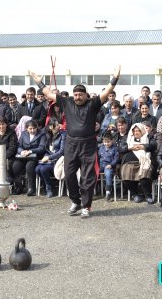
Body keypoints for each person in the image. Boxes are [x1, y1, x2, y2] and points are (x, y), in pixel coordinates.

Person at [31, 65, 121, 217]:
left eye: (81, 94)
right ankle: (75, 201)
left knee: (88, 177)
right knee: (69, 174)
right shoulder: (67, 102)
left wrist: (115, 79)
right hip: (71, 144)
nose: (78, 97)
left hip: (88, 145)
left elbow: (107, 93)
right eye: (76, 94)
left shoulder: (93, 104)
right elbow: (49, 94)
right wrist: (39, 82)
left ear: (86, 95)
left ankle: (86, 206)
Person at [120, 123, 156, 203]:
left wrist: (143, 147)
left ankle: (148, 195)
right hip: (130, 162)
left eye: (138, 131)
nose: (136, 133)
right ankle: (135, 194)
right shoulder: (127, 138)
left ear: (142, 131)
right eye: (134, 131)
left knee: (145, 172)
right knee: (125, 173)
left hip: (145, 161)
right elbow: (121, 148)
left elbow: (154, 145)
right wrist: (130, 148)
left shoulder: (148, 137)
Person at [11, 120, 46, 196]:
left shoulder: (41, 134)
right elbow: (19, 146)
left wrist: (30, 151)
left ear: (37, 128)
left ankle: (31, 188)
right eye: (30, 129)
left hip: (34, 157)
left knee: (29, 167)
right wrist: (21, 151)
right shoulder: (24, 134)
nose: (32, 130)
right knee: (15, 167)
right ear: (26, 128)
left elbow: (42, 148)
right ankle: (19, 186)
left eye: (34, 128)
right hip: (23, 156)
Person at [35, 118, 66, 198]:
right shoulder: (48, 135)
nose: (59, 126)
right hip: (49, 159)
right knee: (37, 169)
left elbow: (62, 151)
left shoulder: (63, 135)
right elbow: (48, 149)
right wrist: (46, 156)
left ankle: (49, 189)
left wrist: (49, 157)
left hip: (58, 160)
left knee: (43, 169)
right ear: (51, 127)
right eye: (56, 125)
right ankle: (49, 185)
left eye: (58, 124)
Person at [98, 132, 119, 201]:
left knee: (108, 174)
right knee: (92, 172)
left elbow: (116, 159)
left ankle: (108, 193)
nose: (106, 144)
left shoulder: (115, 149)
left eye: (108, 142)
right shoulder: (101, 148)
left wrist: (111, 165)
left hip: (109, 166)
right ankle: (90, 190)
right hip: (101, 165)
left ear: (112, 141)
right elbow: (98, 157)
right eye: (105, 142)